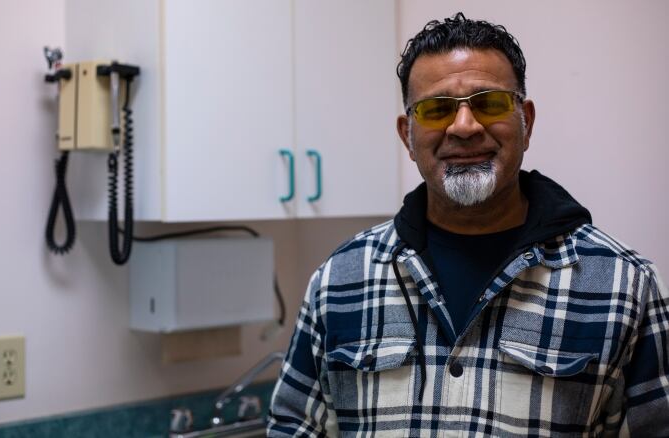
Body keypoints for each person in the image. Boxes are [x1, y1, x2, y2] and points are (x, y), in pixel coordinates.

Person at [267, 12, 669, 437]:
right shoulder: (339, 281)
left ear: (526, 121)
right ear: (407, 135)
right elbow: (293, 427)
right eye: (436, 109)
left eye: (489, 103)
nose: (464, 127)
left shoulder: (624, 287)